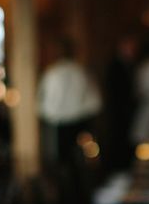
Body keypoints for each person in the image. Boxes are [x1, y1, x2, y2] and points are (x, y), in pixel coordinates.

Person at [36, 37, 102, 166]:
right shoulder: (81, 72)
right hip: (79, 124)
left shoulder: (52, 74)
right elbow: (96, 103)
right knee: (80, 165)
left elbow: (42, 106)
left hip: (61, 126)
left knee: (63, 164)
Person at [103, 35, 138, 171]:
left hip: (127, 113)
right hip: (118, 113)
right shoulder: (116, 66)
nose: (132, 50)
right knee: (119, 142)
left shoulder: (130, 65)